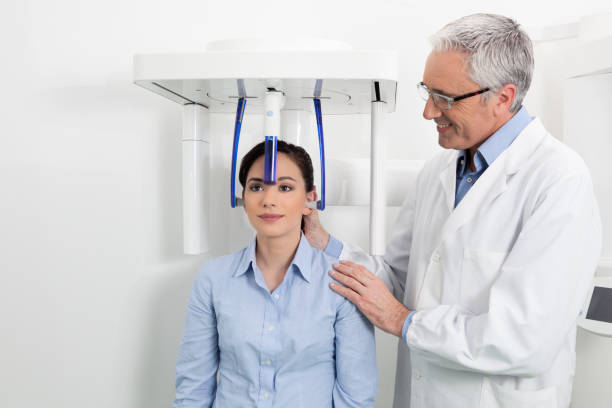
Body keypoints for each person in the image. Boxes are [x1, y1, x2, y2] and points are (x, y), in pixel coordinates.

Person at [304, 13, 602, 408]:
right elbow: (397, 280)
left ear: (503, 98)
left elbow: (525, 339)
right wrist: (323, 242)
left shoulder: (558, 180)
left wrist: (402, 321)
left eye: (444, 97)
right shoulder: (439, 171)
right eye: (427, 91)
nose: (429, 112)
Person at [173, 140, 377, 408]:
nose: (269, 200)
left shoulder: (340, 282)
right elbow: (193, 389)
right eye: (256, 187)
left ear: (309, 198)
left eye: (285, 187)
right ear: (243, 199)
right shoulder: (213, 278)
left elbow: (356, 398)